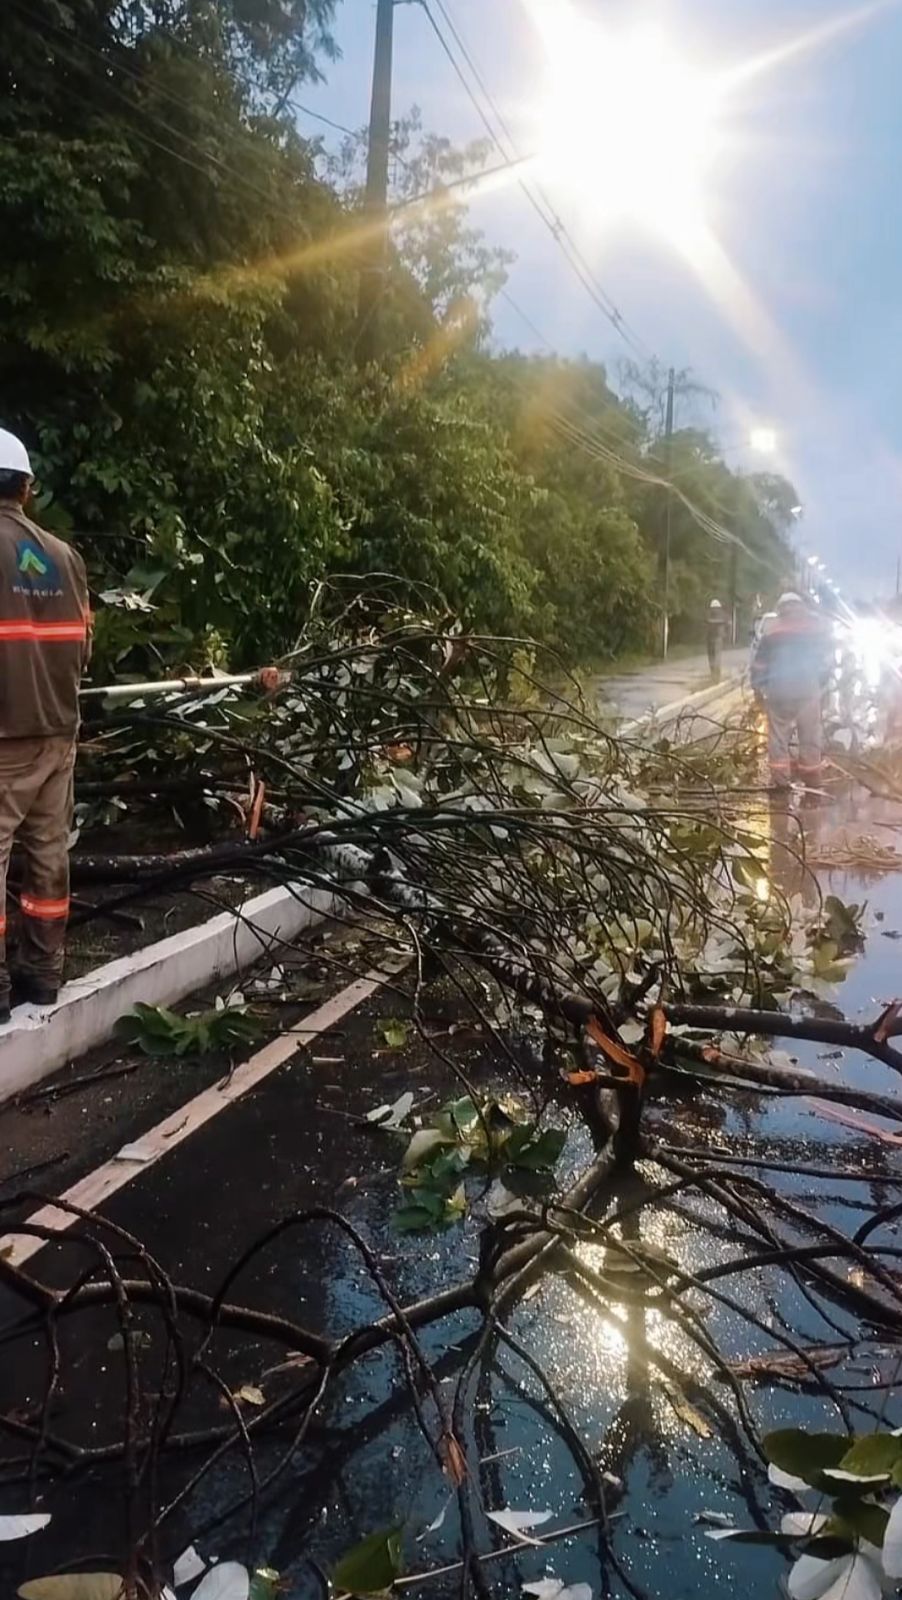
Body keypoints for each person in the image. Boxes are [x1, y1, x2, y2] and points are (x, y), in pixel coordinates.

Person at [0, 429, 91, 1021]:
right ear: (27, 488)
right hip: (58, 734)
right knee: (47, 858)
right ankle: (41, 978)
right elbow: (83, 653)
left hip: (3, 737)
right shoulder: (64, 556)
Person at [750, 591, 831, 789]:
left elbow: (759, 665)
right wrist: (821, 685)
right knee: (810, 735)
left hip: (779, 691)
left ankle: (780, 780)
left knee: (778, 737)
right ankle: (812, 780)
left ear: (780, 610)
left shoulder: (771, 631)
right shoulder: (813, 630)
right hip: (807, 689)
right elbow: (824, 663)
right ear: (801, 607)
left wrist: (758, 688)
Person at [706, 598, 727, 682]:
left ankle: (716, 675)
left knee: (715, 657)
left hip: (716, 638)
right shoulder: (716, 617)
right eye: (714, 608)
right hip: (712, 638)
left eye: (716, 608)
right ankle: (714, 674)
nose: (715, 610)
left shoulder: (717, 617)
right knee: (713, 657)